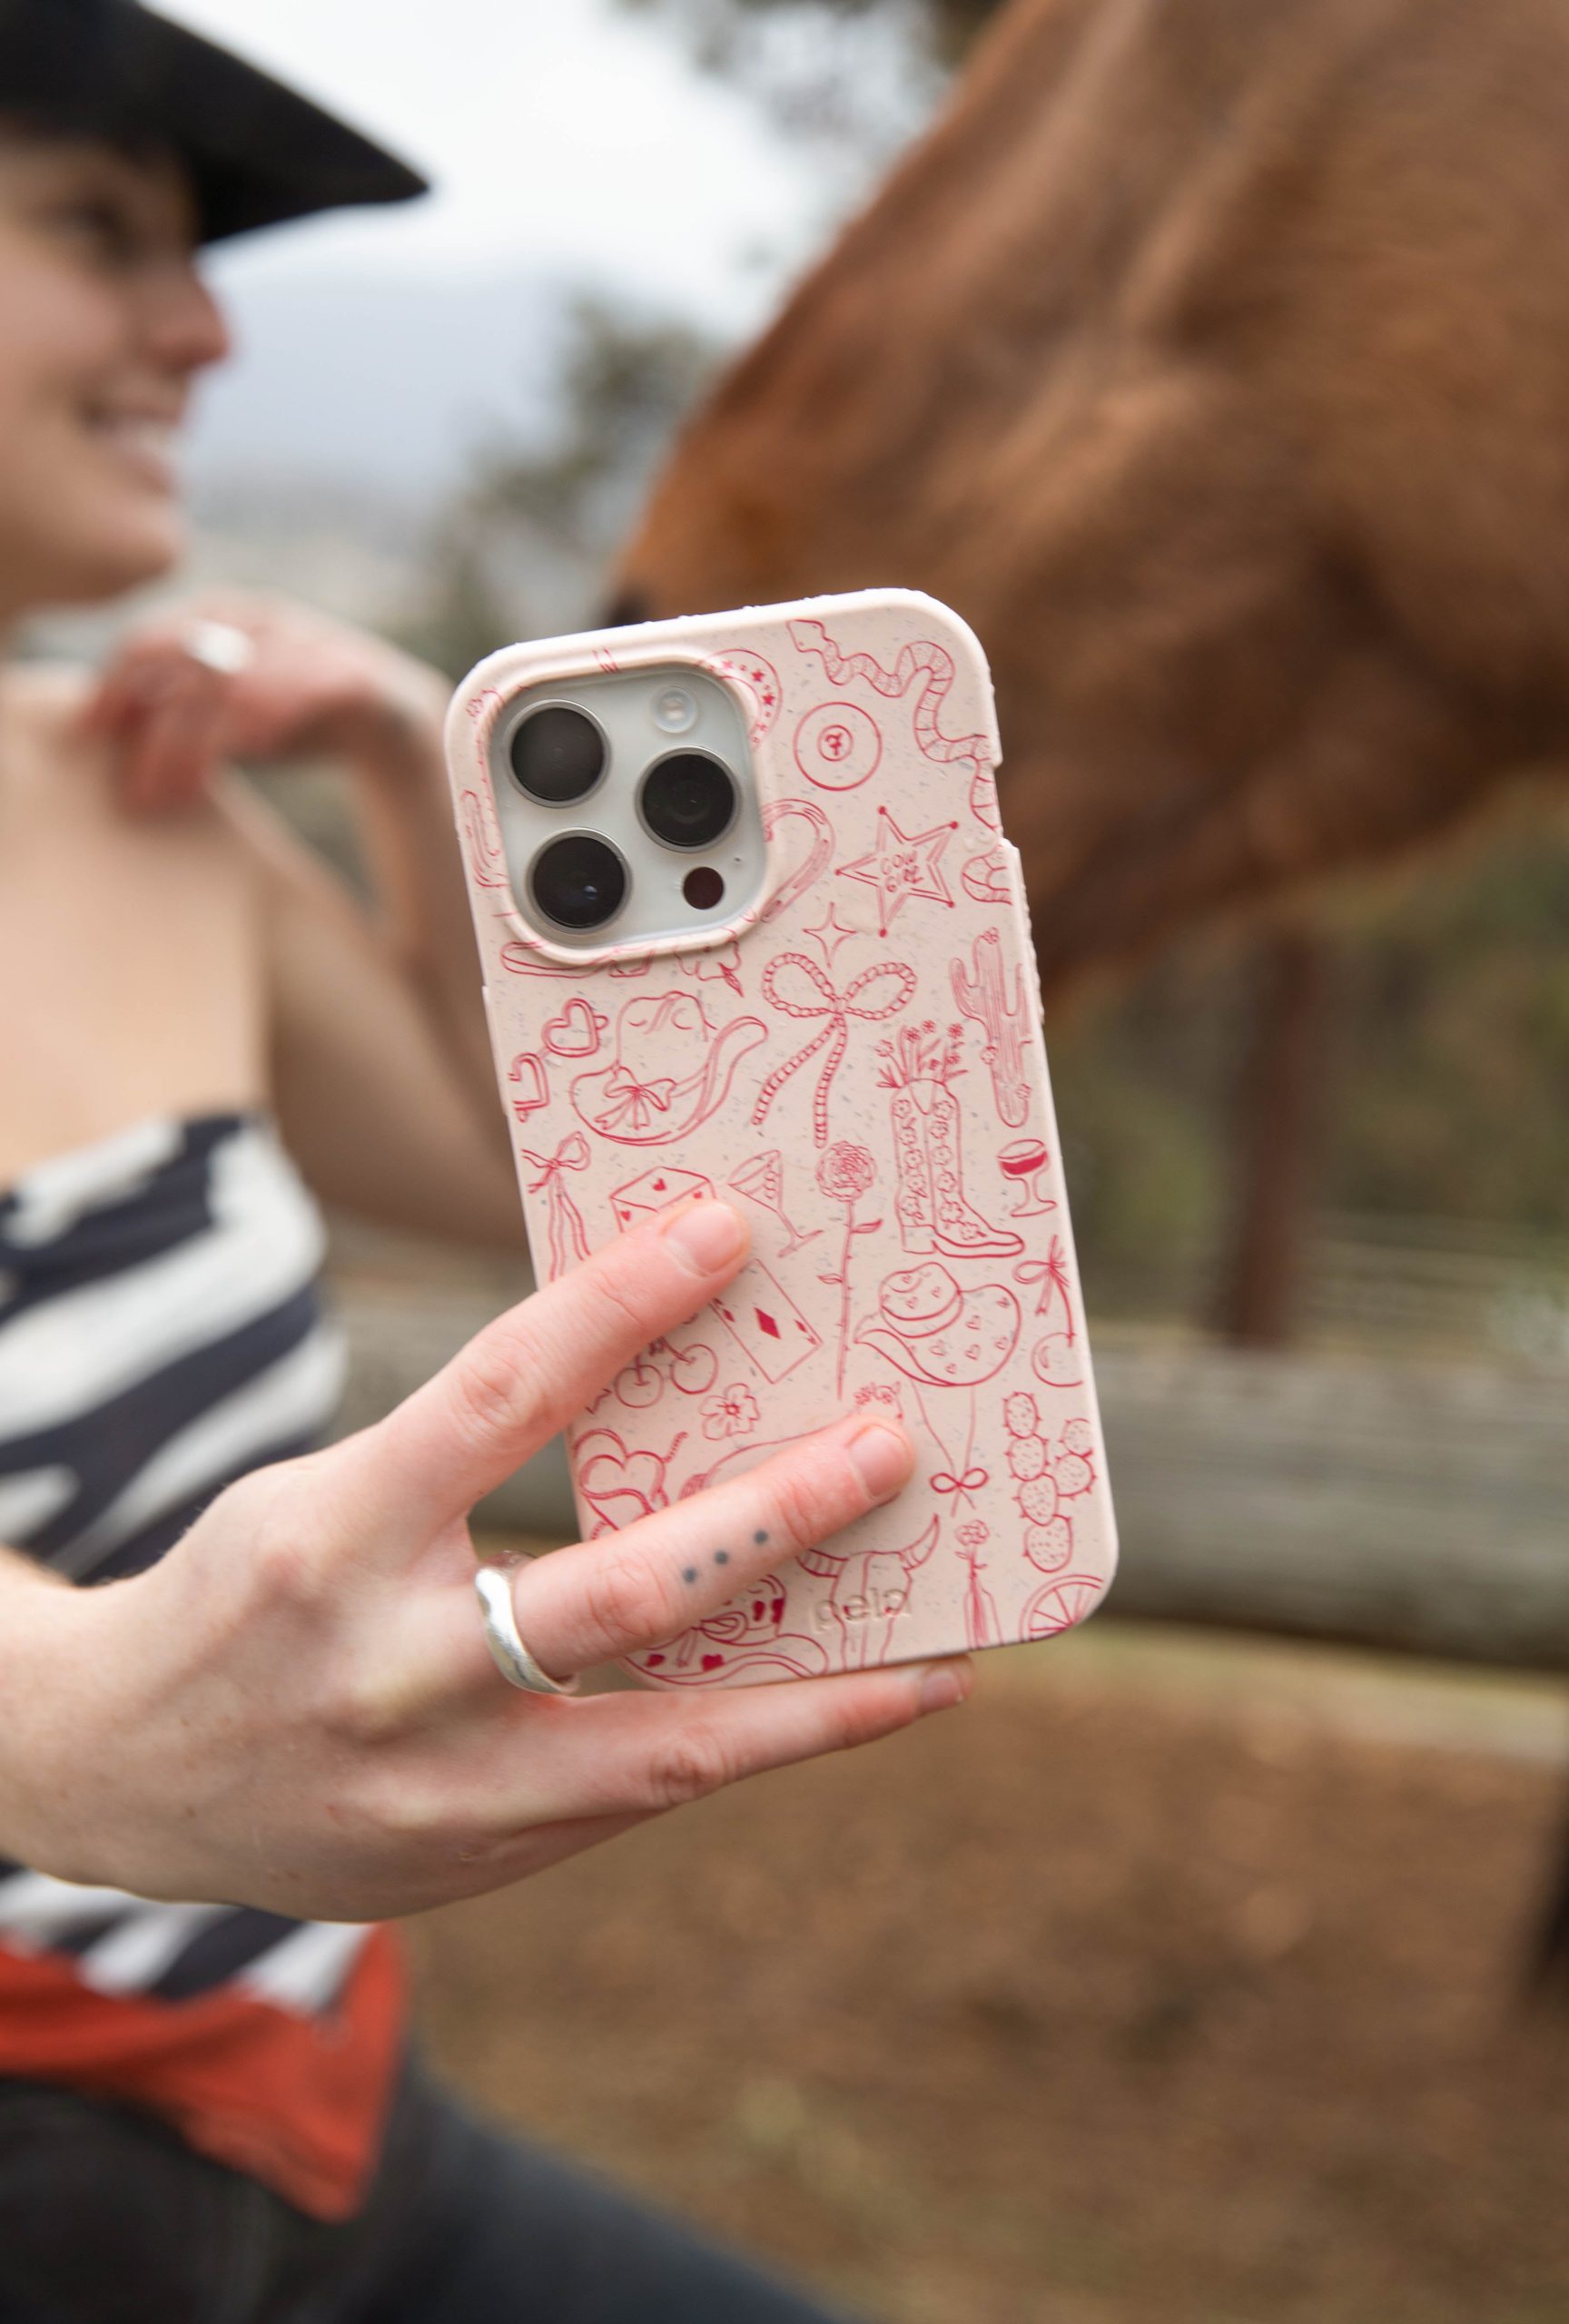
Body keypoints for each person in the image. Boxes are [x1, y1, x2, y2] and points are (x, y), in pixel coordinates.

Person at [0, 4, 969, 2316]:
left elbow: (518, 1179)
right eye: (97, 229)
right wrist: (62, 1725)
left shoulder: (153, 818)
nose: (203, 321)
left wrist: (377, 753)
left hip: (318, 2107)